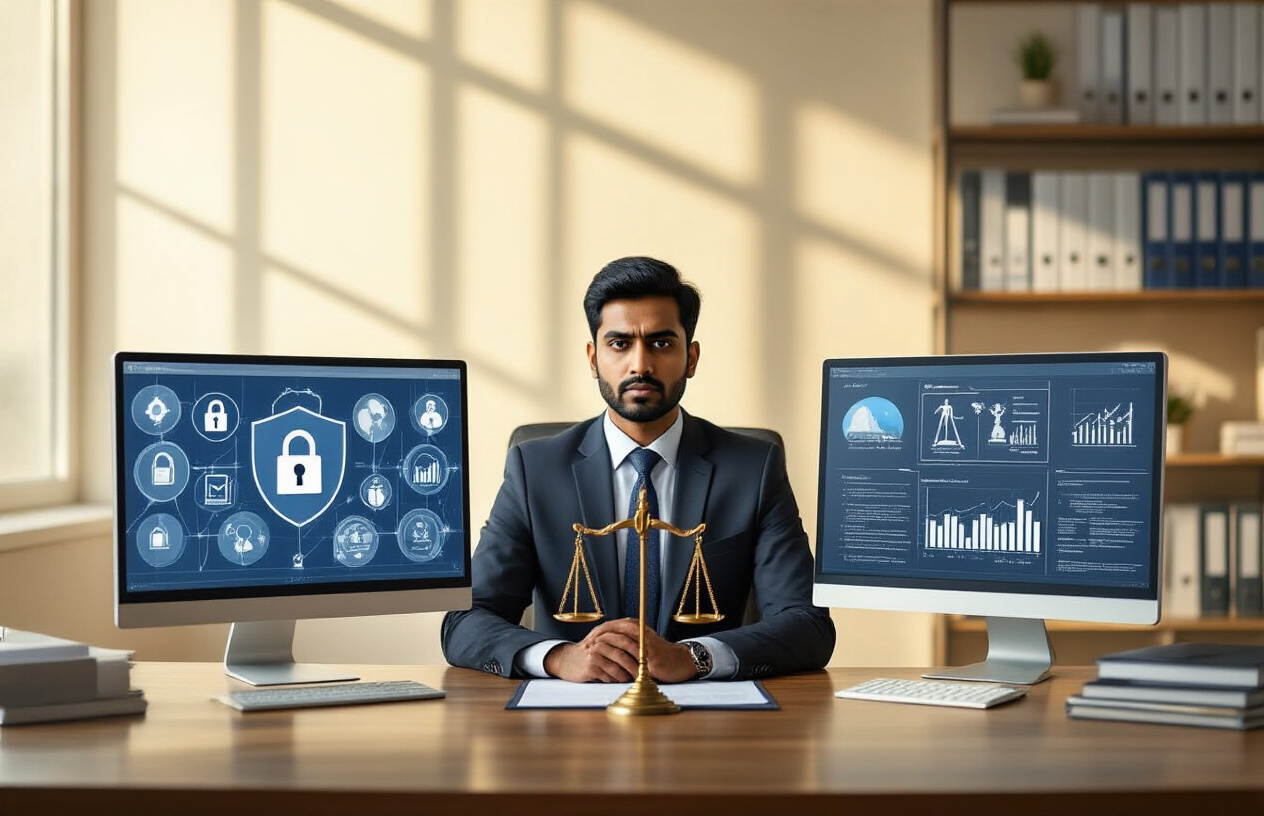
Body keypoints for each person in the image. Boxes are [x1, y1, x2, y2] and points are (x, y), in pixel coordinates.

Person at [441, 256, 835, 683]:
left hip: (706, 721)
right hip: (571, 721)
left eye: (662, 344)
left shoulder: (753, 467)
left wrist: (694, 657)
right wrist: (560, 657)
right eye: (619, 344)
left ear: (691, 358)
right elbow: (466, 621)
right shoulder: (535, 469)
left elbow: (807, 624)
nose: (640, 365)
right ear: (593, 358)